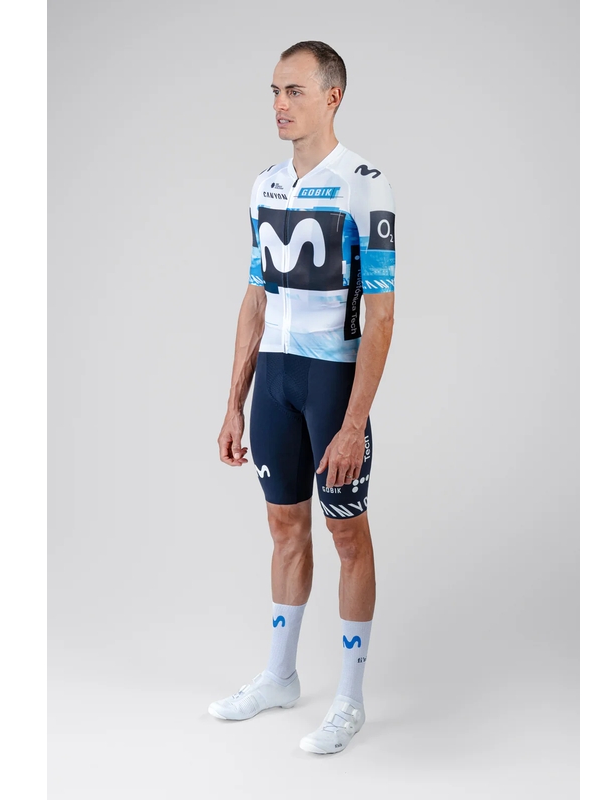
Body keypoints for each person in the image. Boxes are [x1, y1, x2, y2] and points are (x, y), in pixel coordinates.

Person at [209, 40, 396, 755]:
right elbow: (255, 297)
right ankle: (280, 677)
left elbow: (382, 313)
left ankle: (349, 699)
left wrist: (353, 423)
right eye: (274, 91)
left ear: (332, 96)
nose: (279, 105)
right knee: (284, 527)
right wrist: (234, 402)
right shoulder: (265, 185)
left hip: (332, 383)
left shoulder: (364, 185)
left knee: (346, 534)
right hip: (276, 381)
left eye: (294, 91)